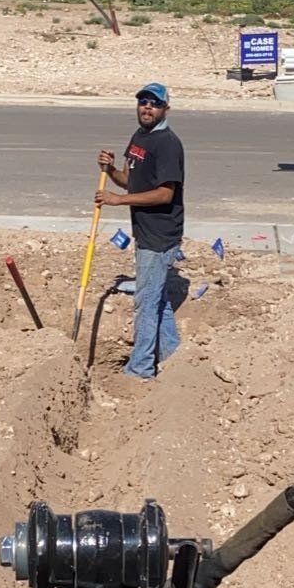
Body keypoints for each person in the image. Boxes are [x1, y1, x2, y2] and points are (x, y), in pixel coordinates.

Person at [96, 81, 186, 379]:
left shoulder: (167, 144)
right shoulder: (139, 137)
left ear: (165, 109)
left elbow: (165, 194)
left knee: (145, 302)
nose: (147, 107)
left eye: (154, 104)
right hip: (144, 231)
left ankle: (140, 370)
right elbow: (130, 180)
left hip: (160, 235)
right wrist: (110, 172)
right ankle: (173, 356)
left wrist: (118, 201)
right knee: (155, 297)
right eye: (143, 102)